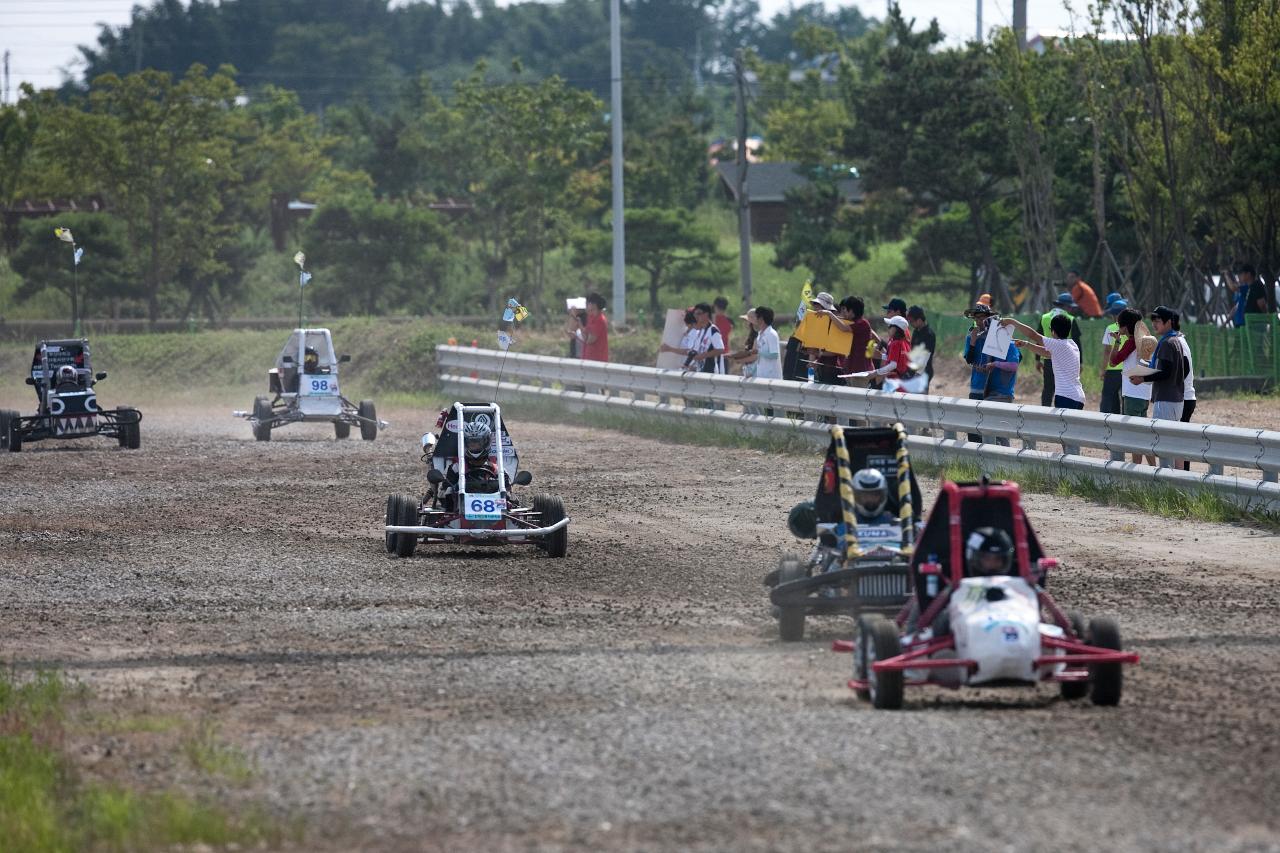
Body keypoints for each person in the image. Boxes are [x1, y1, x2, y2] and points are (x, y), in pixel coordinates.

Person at [963, 303, 1021, 443]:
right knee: (973, 426)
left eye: (982, 318)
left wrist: (996, 364)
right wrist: (973, 341)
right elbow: (969, 359)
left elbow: (1016, 359)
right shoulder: (971, 336)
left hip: (992, 388)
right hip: (977, 385)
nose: (979, 321)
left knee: (995, 426)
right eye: (977, 319)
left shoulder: (999, 335)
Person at [1004, 313, 1086, 409]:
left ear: (1053, 331)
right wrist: (1026, 344)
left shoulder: (1058, 345)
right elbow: (1046, 353)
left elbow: (1033, 335)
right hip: (1078, 396)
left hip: (1066, 396)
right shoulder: (1072, 345)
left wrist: (1012, 322)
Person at [1129, 305, 1189, 436]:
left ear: (1168, 322)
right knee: (1172, 441)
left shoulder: (1167, 343)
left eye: (1158, 321)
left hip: (1166, 399)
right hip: (1176, 399)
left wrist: (1142, 378)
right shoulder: (1176, 340)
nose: (1154, 324)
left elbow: (1166, 372)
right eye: (1153, 321)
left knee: (1163, 442)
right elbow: (1185, 367)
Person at [1109, 308, 1157, 465]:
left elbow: (1113, 361)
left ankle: (1137, 471)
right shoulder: (1145, 341)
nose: (1118, 328)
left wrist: (1116, 341)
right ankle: (1153, 469)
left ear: (1125, 327)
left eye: (1119, 325)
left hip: (1132, 394)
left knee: (1135, 437)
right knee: (1143, 434)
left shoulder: (1130, 343)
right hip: (1144, 394)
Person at [1037, 293, 1083, 406]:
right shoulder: (1070, 319)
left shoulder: (1044, 317)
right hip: (1066, 359)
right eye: (1070, 307)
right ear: (1065, 306)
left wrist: (1037, 359)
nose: (1071, 309)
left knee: (1048, 387)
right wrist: (1080, 361)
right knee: (1065, 386)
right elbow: (1077, 341)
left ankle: (1044, 411)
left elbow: (1038, 338)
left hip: (1047, 358)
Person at [1171, 313, 1197, 470]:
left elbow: (1184, 368)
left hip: (1183, 397)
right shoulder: (1181, 340)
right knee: (1181, 439)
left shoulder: (1177, 342)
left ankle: (1183, 476)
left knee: (1179, 440)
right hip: (1187, 396)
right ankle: (1184, 473)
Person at [1098, 294, 1129, 414]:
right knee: (1124, 397)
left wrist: (1103, 369)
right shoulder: (1132, 329)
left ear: (1115, 315)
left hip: (1113, 368)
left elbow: (1107, 351)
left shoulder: (1111, 328)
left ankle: (1106, 419)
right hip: (1128, 369)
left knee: (1108, 396)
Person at [906, 305, 936, 390]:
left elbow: (925, 356)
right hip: (914, 370)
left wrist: (917, 375)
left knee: (919, 401)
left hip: (923, 372)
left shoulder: (929, 334)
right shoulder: (916, 332)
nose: (910, 324)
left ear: (919, 320)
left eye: (911, 321)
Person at [750, 306, 782, 381]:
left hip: (772, 378)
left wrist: (759, 352)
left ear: (761, 319)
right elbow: (759, 357)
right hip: (761, 375)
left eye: (756, 317)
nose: (755, 320)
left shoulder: (771, 334)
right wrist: (752, 371)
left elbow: (774, 355)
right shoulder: (760, 334)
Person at [727, 309, 759, 377]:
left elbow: (754, 357)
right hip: (750, 371)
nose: (744, 323)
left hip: (755, 373)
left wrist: (739, 360)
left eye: (746, 321)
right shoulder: (752, 335)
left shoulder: (758, 337)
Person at [581, 292, 609, 362]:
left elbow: (590, 340)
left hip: (597, 359)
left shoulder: (600, 320)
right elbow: (585, 336)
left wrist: (580, 326)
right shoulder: (590, 317)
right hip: (587, 358)